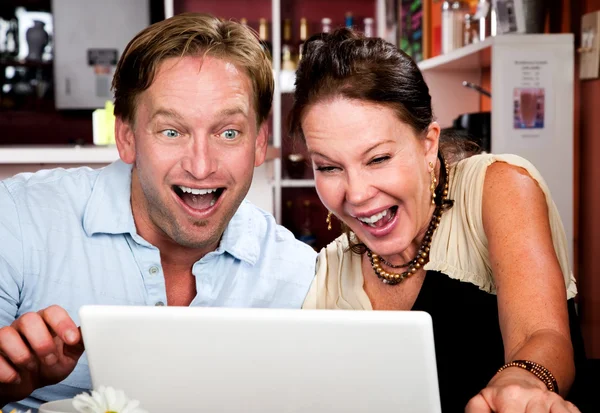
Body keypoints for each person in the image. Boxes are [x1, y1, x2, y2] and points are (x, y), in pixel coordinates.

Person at [0, 13, 317, 411]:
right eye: (172, 132)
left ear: (259, 143)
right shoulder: (16, 220)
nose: (201, 166)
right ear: (127, 137)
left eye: (229, 133)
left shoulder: (299, 276)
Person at [291, 29, 587, 413]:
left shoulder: (495, 186)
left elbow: (542, 332)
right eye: (329, 167)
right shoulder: (329, 273)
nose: (357, 193)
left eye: (378, 159)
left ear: (428, 143)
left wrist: (521, 381)